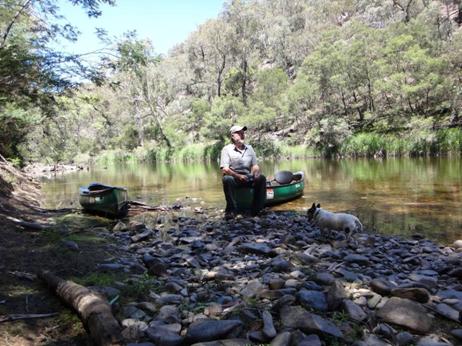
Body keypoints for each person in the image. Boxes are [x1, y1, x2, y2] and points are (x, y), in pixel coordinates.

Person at [220, 125, 266, 218]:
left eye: (243, 133)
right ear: (233, 136)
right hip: (234, 178)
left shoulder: (250, 148)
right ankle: (231, 211)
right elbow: (225, 169)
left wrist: (255, 174)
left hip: (248, 177)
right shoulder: (226, 149)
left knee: (261, 178)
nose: (242, 135)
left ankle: (257, 209)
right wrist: (238, 176)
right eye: (239, 133)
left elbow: (255, 165)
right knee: (227, 179)